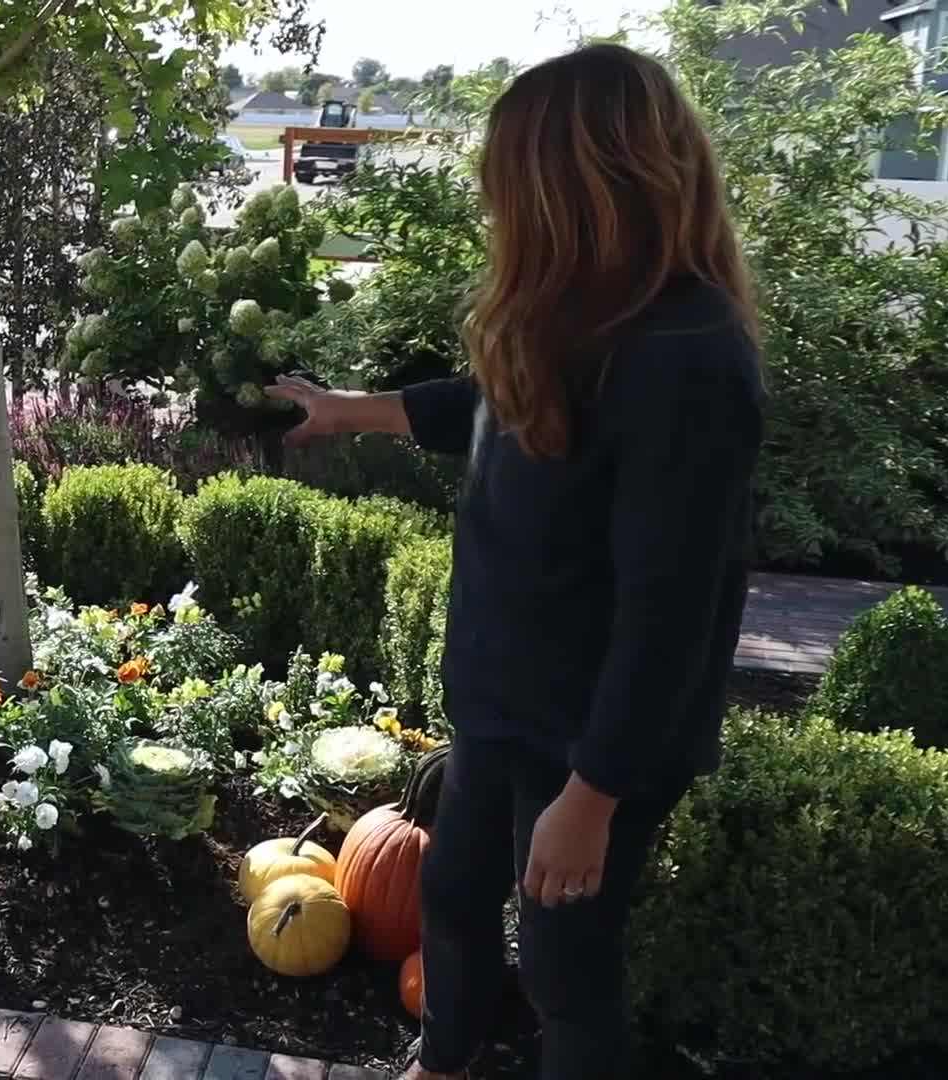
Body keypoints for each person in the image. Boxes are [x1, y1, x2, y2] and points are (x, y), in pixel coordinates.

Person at [268, 43, 764, 1080]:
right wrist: (349, 411)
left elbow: (670, 608)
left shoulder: (685, 353)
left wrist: (593, 793)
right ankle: (442, 1065)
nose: (499, 209)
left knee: (563, 972)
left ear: (579, 185)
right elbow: (496, 408)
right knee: (449, 896)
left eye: (511, 183)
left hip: (589, 738)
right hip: (503, 701)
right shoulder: (583, 313)